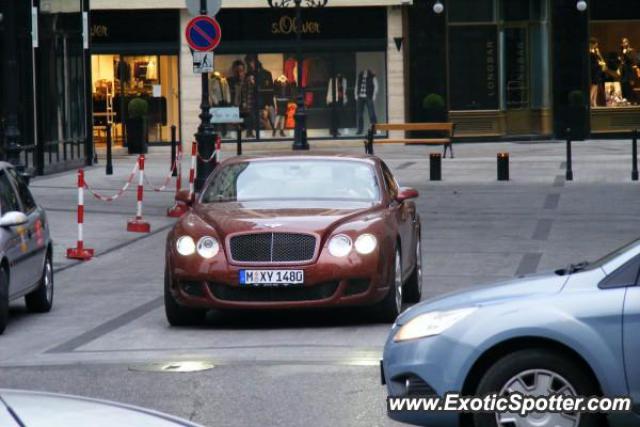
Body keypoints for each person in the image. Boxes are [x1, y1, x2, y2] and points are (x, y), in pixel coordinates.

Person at [619, 37, 638, 104]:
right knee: (624, 86)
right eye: (622, 42)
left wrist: (625, 54)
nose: (623, 44)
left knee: (630, 87)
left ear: (627, 43)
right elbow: (622, 61)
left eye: (625, 42)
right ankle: (626, 100)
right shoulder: (622, 51)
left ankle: (633, 101)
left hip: (630, 72)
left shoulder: (631, 50)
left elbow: (632, 60)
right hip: (624, 72)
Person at [589, 38, 606, 107]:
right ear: (592, 44)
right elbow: (592, 62)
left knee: (596, 86)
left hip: (597, 70)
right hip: (592, 70)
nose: (597, 45)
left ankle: (594, 101)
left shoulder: (595, 51)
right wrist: (599, 63)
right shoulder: (589, 51)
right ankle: (590, 100)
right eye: (596, 43)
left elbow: (599, 59)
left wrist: (598, 54)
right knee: (593, 85)